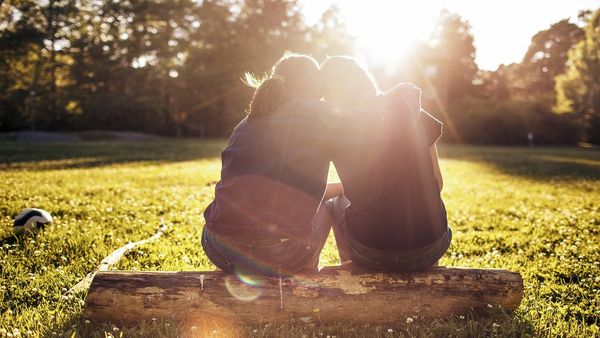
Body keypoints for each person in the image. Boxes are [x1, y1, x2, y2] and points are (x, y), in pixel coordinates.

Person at [202, 53, 340, 276]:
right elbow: (311, 195)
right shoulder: (320, 121)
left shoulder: (247, 122)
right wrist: (343, 188)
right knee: (330, 205)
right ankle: (307, 271)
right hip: (281, 253)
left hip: (219, 247)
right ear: (316, 86)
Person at [320, 56, 451, 271]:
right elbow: (437, 182)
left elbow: (317, 189)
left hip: (371, 251)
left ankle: (355, 270)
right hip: (431, 246)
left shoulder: (335, 126)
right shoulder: (412, 111)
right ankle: (422, 265)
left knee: (336, 202)